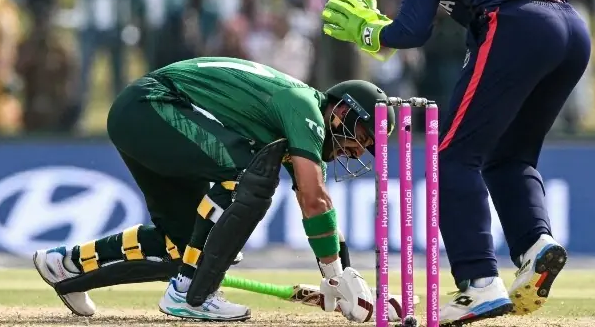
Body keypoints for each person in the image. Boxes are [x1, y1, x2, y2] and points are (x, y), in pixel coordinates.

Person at [320, 0, 592, 325]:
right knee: (510, 155)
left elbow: (411, 31)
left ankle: (478, 283)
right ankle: (534, 245)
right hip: (570, 28)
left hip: (514, 27)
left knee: (452, 156)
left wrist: (370, 32)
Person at [33, 56, 398, 322]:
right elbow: (313, 198)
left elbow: (319, 204)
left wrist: (346, 278)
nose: (355, 150)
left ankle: (66, 265)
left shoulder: (304, 123)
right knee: (247, 176)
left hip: (142, 113)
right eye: (361, 137)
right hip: (152, 106)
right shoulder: (306, 108)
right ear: (341, 112)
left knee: (186, 245)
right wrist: (334, 275)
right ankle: (193, 294)